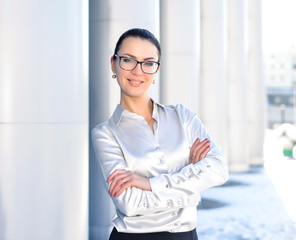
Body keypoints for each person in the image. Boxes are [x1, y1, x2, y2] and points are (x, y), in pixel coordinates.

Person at [91, 28, 229, 240]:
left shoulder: (183, 117)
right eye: (128, 60)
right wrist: (192, 180)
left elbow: (219, 170)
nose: (138, 71)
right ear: (114, 64)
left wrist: (150, 184)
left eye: (148, 63)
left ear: (156, 70)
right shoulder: (105, 134)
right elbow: (130, 204)